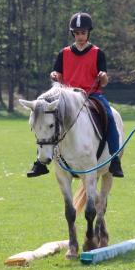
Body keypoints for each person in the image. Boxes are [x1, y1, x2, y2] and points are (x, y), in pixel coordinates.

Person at [27, 12, 124, 178]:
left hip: (92, 95)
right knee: (45, 120)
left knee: (109, 117)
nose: (80, 36)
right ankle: (41, 162)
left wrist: (103, 77)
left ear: (88, 33)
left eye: (83, 33)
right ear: (73, 33)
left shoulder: (97, 53)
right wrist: (54, 75)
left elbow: (105, 81)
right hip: (69, 97)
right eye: (77, 33)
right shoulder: (63, 53)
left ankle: (115, 160)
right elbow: (57, 73)